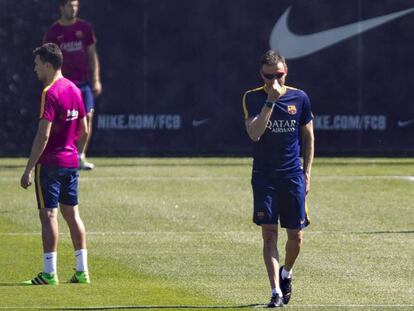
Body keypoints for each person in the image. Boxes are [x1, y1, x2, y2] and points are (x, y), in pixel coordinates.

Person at [242, 50, 314, 307]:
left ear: (286, 72)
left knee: (296, 237)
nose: (274, 80)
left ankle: (286, 273)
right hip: (264, 176)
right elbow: (254, 133)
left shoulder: (300, 97)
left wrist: (307, 173)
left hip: (292, 175)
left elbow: (308, 137)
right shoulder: (253, 98)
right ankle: (275, 292)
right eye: (268, 76)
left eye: (279, 75)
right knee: (269, 234)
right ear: (261, 75)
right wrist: (270, 102)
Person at [20, 43, 90, 285]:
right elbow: (85, 130)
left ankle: (49, 273)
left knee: (49, 215)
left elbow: (43, 135)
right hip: (70, 163)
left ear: (48, 65)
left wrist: (29, 168)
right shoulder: (75, 89)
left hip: (50, 163)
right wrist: (76, 155)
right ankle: (82, 271)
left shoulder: (49, 92)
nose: (35, 69)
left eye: (37, 64)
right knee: (72, 215)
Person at [43, 0, 102, 170]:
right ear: (61, 8)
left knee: (88, 117)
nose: (73, 9)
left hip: (83, 84)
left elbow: (92, 55)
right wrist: (50, 84)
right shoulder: (53, 32)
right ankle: (58, 156)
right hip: (62, 85)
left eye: (76, 5)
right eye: (70, 5)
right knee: (61, 123)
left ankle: (79, 157)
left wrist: (96, 79)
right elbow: (46, 60)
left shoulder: (85, 28)